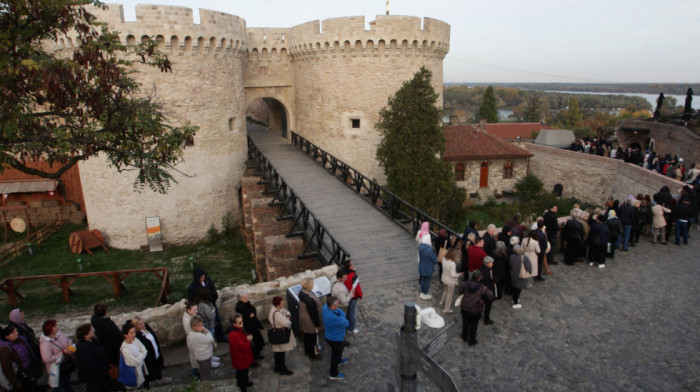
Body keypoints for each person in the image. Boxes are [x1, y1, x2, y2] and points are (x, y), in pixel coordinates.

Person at [187, 267, 226, 342]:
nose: (203, 277)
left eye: (204, 275)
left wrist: (214, 297)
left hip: (211, 304)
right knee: (206, 325)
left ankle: (220, 337)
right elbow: (191, 300)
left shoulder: (207, 280)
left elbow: (212, 289)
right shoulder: (192, 288)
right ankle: (209, 340)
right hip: (202, 308)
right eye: (201, 276)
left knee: (217, 320)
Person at [132, 316, 171, 387]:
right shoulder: (137, 336)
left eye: (142, 322)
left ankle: (159, 378)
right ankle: (154, 381)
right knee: (151, 368)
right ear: (136, 326)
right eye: (140, 324)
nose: (142, 325)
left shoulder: (146, 328)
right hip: (149, 356)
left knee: (157, 364)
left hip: (155, 351)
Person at [458, 271, 494, 346]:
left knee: (465, 323)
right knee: (473, 326)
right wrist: (484, 300)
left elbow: (460, 290)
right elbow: (490, 296)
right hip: (475, 309)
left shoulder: (465, 284)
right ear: (480, 278)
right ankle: (472, 340)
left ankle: (464, 336)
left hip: (465, 307)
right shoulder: (483, 288)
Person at [1, 325, 38, 392]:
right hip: (21, 374)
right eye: (13, 333)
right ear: (7, 337)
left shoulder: (21, 340)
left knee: (34, 385)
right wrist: (16, 383)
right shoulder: (5, 350)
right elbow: (7, 369)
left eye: (16, 331)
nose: (16, 333)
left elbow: (30, 352)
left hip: (30, 368)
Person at [39, 320, 74, 392]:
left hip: (66, 364)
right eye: (54, 326)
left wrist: (70, 346)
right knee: (59, 386)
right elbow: (46, 359)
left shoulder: (59, 333)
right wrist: (63, 353)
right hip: (57, 368)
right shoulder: (45, 344)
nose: (57, 327)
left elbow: (68, 340)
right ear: (50, 330)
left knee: (67, 382)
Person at [74, 323, 108, 392]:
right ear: (85, 334)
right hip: (93, 378)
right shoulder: (84, 348)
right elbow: (90, 365)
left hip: (99, 374)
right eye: (90, 330)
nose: (92, 331)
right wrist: (103, 368)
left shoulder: (92, 340)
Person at [322, 296, 349, 381]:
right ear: (332, 306)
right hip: (335, 338)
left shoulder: (325, 307)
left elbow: (340, 312)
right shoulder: (333, 317)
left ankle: (339, 360)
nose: (338, 305)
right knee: (335, 355)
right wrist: (342, 316)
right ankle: (333, 374)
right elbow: (346, 323)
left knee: (339, 350)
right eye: (337, 304)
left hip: (330, 335)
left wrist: (341, 314)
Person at [298, 277, 324, 360]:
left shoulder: (302, 293)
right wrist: (317, 324)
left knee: (307, 336)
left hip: (304, 318)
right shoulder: (309, 299)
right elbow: (313, 313)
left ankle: (307, 351)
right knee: (313, 338)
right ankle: (313, 354)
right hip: (310, 321)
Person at [268, 297, 295, 375]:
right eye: (282, 303)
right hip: (280, 334)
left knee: (278, 352)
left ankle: (277, 367)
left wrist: (287, 316)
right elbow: (287, 323)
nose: (284, 304)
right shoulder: (277, 314)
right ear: (278, 305)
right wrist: (288, 319)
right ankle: (282, 369)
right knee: (281, 352)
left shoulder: (275, 309)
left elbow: (287, 312)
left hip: (277, 333)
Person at [235, 292, 265, 361]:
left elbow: (253, 309)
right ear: (240, 299)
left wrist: (252, 314)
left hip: (253, 326)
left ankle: (257, 355)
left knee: (258, 341)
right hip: (249, 328)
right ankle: (253, 358)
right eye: (245, 298)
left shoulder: (247, 303)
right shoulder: (240, 307)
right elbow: (245, 317)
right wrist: (250, 316)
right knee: (253, 344)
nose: (247, 299)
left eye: (247, 297)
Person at [228, 313, 254, 392]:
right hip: (240, 357)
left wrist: (248, 336)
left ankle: (246, 382)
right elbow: (241, 346)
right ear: (234, 324)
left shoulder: (239, 328)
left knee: (245, 371)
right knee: (241, 373)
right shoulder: (233, 334)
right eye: (239, 322)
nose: (242, 323)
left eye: (242, 321)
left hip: (244, 356)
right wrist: (248, 340)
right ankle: (243, 386)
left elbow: (244, 335)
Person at [186, 316, 216, 381]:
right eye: (199, 325)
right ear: (193, 326)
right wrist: (206, 332)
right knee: (205, 373)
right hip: (204, 357)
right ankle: (205, 384)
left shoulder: (191, 334)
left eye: (201, 324)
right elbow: (211, 339)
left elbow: (190, 347)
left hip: (201, 356)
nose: (201, 326)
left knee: (204, 370)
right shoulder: (196, 335)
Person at [119, 323, 147, 389]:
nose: (134, 334)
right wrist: (141, 355)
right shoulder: (125, 349)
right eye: (131, 333)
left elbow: (145, 350)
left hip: (141, 370)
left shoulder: (135, 340)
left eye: (134, 332)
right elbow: (135, 362)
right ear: (125, 335)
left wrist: (139, 356)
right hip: (135, 376)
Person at [438, 249, 463, 314]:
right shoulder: (452, 264)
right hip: (450, 281)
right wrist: (459, 274)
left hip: (444, 278)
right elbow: (452, 275)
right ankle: (447, 309)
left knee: (445, 291)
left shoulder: (444, 259)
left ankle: (441, 301)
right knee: (449, 295)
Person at [343, 260, 363, 334]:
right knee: (352, 313)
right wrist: (360, 295)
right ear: (350, 266)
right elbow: (357, 288)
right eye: (352, 264)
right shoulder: (353, 276)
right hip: (353, 296)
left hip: (346, 294)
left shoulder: (344, 273)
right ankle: (351, 328)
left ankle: (347, 324)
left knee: (348, 312)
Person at [182, 301, 200, 380]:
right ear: (188, 310)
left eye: (196, 309)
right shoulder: (187, 320)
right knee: (195, 359)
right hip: (193, 341)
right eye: (194, 310)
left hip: (196, 339)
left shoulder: (191, 316)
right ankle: (195, 375)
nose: (196, 312)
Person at [418, 233, 437, 300]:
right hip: (428, 267)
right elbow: (434, 259)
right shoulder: (429, 250)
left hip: (421, 265)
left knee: (423, 279)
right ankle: (425, 293)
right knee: (427, 281)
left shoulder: (420, 247)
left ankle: (422, 292)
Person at [477, 257, 496, 325]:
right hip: (488, 290)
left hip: (481, 289)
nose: (492, 264)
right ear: (487, 264)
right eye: (491, 263)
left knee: (480, 303)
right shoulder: (490, 271)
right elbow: (494, 279)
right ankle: (486, 319)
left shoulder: (480, 268)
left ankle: (478, 315)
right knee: (488, 305)